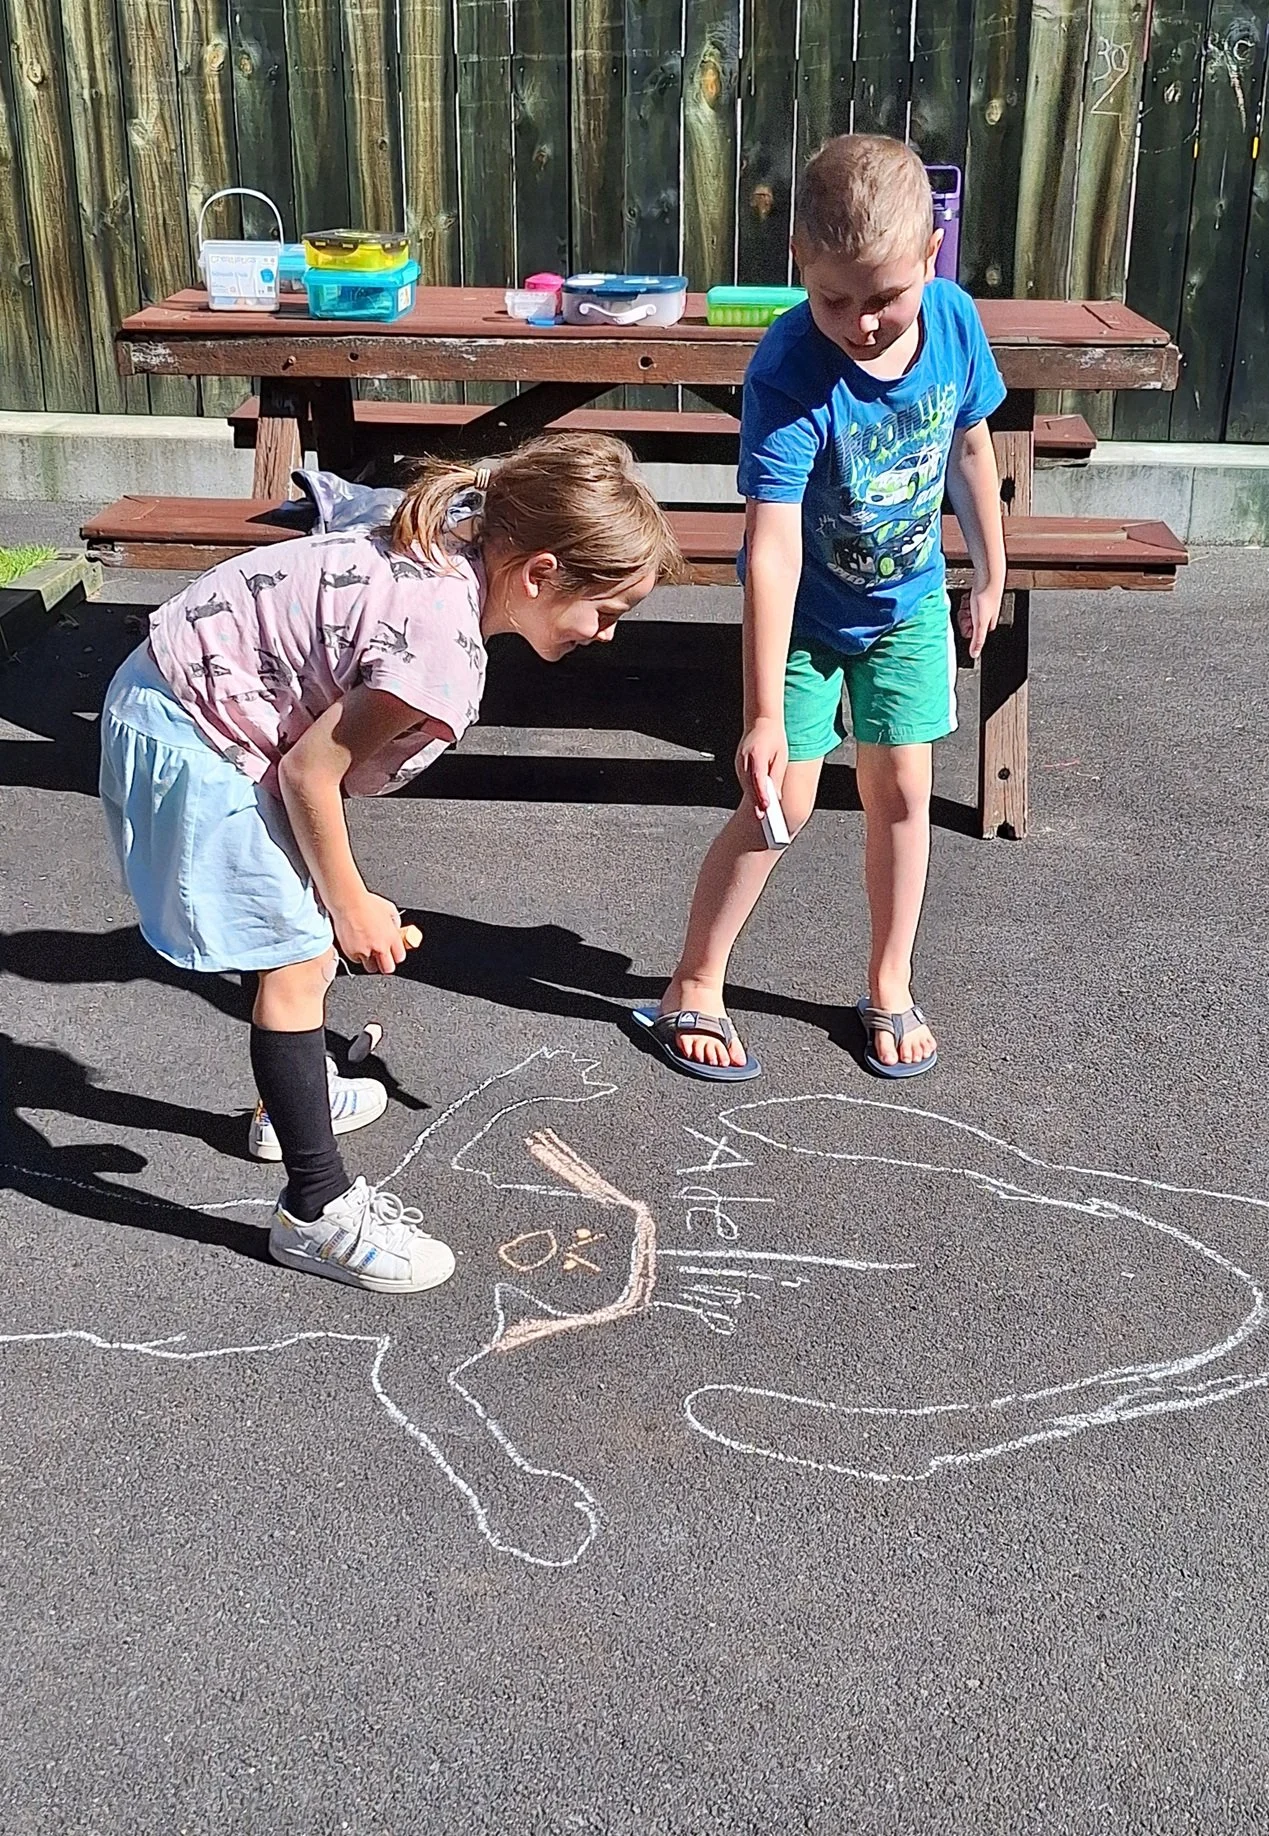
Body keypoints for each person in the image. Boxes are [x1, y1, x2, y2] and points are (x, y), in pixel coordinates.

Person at [100, 433, 680, 1293]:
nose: (606, 634)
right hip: (197, 729)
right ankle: (315, 1211)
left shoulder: (450, 541)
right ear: (539, 572)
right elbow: (309, 772)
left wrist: (335, 891)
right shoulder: (440, 647)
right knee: (298, 957)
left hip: (189, 697)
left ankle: (292, 1101)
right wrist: (351, 905)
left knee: (295, 937)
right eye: (606, 610)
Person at [637, 134, 1008, 1083]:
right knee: (780, 804)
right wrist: (762, 713)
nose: (862, 324)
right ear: (798, 259)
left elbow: (969, 448)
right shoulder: (791, 368)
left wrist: (990, 568)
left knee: (903, 792)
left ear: (931, 256)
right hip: (805, 618)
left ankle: (889, 982)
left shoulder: (954, 322)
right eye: (834, 299)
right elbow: (769, 546)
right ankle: (693, 982)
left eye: (885, 297)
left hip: (907, 603)